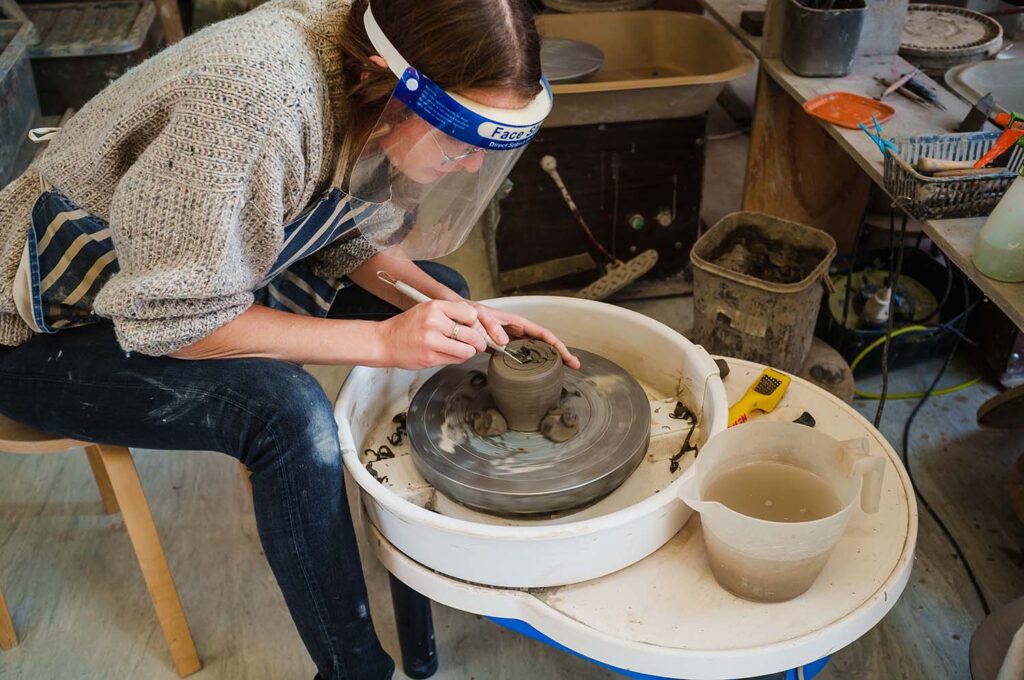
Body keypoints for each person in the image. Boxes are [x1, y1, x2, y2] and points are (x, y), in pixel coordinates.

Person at [0, 0, 579, 677]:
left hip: (185, 269)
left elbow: (342, 228)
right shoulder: (257, 105)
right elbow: (174, 322)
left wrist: (457, 310)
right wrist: (384, 342)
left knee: (444, 303)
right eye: (459, 143)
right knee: (287, 414)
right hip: (42, 323)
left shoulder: (366, 62)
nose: (471, 168)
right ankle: (353, 670)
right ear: (384, 79)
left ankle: (419, 592)